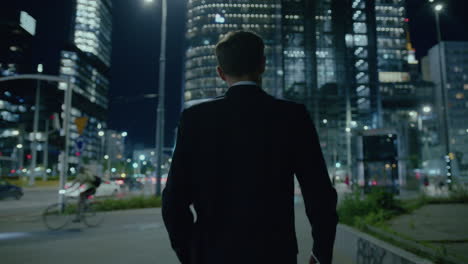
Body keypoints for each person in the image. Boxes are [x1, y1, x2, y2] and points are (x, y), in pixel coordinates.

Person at [162, 31, 338, 264]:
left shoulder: (195, 119)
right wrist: (321, 252)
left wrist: (189, 252)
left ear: (221, 73)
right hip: (275, 253)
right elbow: (319, 193)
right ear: (262, 65)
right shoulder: (292, 116)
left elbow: (174, 199)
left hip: (213, 254)